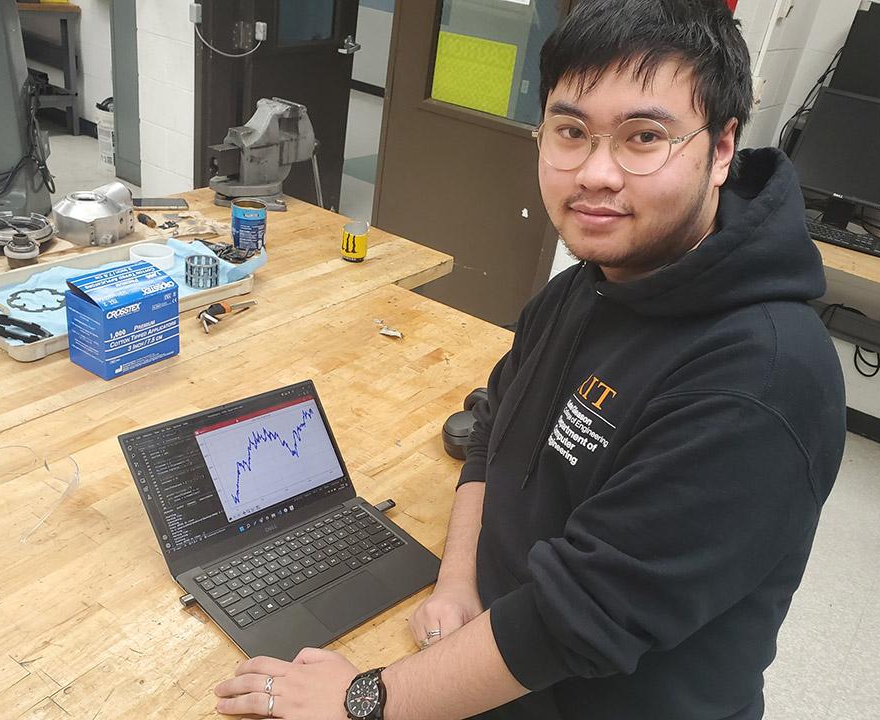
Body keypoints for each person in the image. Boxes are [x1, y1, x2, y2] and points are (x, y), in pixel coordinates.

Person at [213, 1, 846, 718]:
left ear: (722, 149)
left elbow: (575, 620)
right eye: (571, 132)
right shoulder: (589, 286)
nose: (596, 173)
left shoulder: (759, 385)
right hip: (491, 660)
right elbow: (494, 426)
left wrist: (362, 700)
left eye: (645, 137)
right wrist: (458, 582)